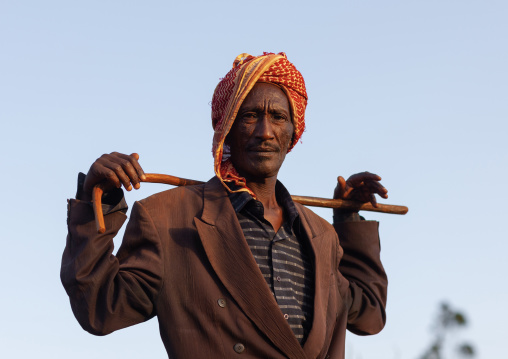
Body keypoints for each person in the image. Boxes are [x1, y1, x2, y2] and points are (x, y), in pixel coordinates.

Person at [61, 52, 389, 359]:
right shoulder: (170, 219)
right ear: (227, 129)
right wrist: (97, 203)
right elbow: (99, 307)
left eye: (278, 117)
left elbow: (369, 314)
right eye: (249, 116)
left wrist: (348, 220)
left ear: (293, 133)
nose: (265, 132)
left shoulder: (320, 235)